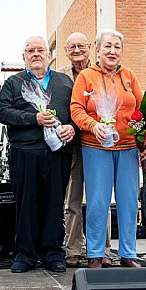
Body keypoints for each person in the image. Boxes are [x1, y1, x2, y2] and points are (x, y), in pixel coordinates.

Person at [70, 29, 146, 269]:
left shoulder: (129, 76)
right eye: (107, 46)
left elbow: (142, 110)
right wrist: (93, 126)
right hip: (96, 147)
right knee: (97, 201)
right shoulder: (86, 76)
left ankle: (128, 253)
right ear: (97, 50)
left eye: (117, 46)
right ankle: (95, 254)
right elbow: (76, 109)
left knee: (129, 201)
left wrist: (143, 139)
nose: (112, 51)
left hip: (127, 148)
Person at [0, 36, 76, 273]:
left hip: (57, 152)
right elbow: (3, 112)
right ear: (24, 57)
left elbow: (77, 110)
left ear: (49, 55)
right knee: (26, 204)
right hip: (25, 152)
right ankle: (25, 254)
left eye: (40, 49)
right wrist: (33, 119)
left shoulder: (64, 82)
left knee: (54, 204)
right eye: (30, 50)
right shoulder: (14, 82)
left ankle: (52, 253)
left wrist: (72, 126)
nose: (36, 54)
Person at [58, 32, 112, 268]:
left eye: (81, 45)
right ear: (65, 51)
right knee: (72, 199)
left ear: (90, 47)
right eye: (72, 47)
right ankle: (73, 250)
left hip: (97, 141)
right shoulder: (59, 78)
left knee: (100, 199)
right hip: (72, 146)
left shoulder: (103, 73)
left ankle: (104, 250)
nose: (77, 50)